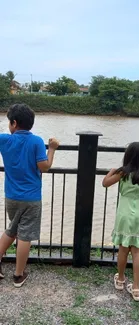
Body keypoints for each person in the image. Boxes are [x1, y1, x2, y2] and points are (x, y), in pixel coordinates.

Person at [0, 103, 59, 287]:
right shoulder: (35, 141)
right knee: (24, 235)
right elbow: (45, 167)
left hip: (11, 196)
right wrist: (52, 148)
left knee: (13, 229)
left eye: (9, 122)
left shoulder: (4, 140)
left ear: (14, 123)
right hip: (31, 197)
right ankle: (18, 275)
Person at [102, 142, 139, 301]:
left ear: (128, 156)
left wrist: (111, 171)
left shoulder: (123, 173)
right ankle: (137, 288)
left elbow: (105, 183)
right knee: (137, 251)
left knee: (123, 248)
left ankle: (120, 279)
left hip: (124, 213)